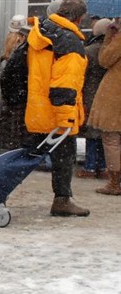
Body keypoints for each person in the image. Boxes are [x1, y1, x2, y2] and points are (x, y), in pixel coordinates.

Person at [23, 0, 90, 216]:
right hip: (58, 112)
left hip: (38, 108)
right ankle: (62, 200)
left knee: (25, 157)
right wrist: (67, 119)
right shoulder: (70, 42)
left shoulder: (40, 32)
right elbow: (65, 85)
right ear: (79, 18)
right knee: (64, 159)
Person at [77, 18, 113, 179]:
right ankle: (104, 166)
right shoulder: (111, 51)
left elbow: (82, 75)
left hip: (91, 93)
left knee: (92, 132)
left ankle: (90, 166)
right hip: (110, 95)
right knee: (106, 133)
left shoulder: (89, 51)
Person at [89, 18, 121, 195]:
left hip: (115, 92)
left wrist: (110, 36)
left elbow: (104, 59)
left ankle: (115, 182)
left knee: (111, 139)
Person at [0, 14, 28, 151]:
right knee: (19, 125)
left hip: (10, 93)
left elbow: (4, 75)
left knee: (8, 123)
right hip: (21, 92)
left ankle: (7, 149)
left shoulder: (8, 44)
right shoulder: (26, 45)